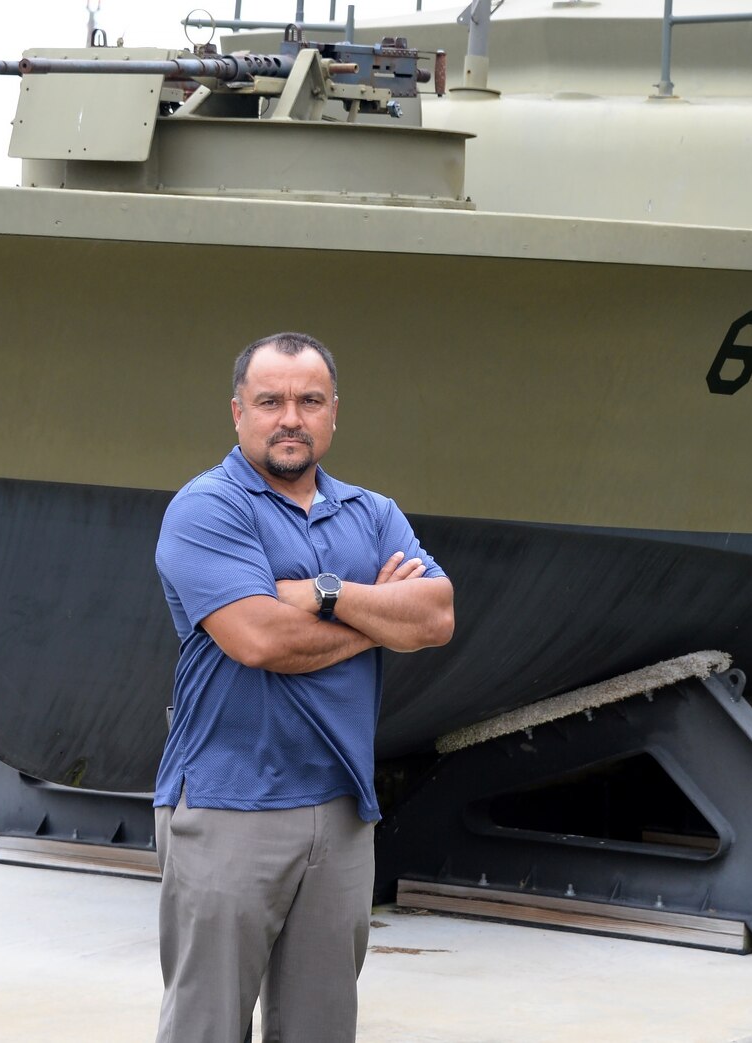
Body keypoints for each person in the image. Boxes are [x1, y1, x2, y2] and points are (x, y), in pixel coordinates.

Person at [152, 331, 454, 1042]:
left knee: (322, 1028)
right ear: (238, 412)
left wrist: (317, 593)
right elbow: (260, 639)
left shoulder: (373, 513)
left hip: (342, 812)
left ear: (333, 413)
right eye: (271, 400)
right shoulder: (207, 508)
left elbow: (436, 614)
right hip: (229, 806)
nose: (290, 416)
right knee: (207, 1026)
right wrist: (380, 616)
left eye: (309, 400)